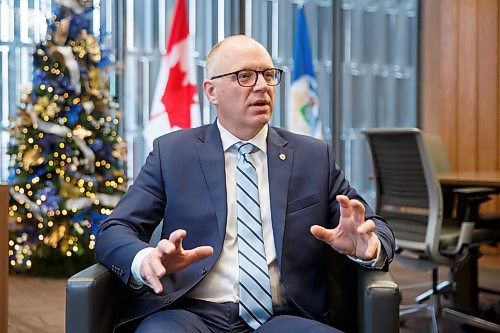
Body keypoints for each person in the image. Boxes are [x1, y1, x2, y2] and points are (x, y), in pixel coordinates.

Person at [95, 35, 395, 333]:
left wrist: (368, 247)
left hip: (286, 317)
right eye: (245, 76)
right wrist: (145, 259)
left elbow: (374, 226)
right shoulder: (173, 153)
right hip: (190, 312)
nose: (262, 85)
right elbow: (115, 229)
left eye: (268, 74)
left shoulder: (313, 157)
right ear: (212, 92)